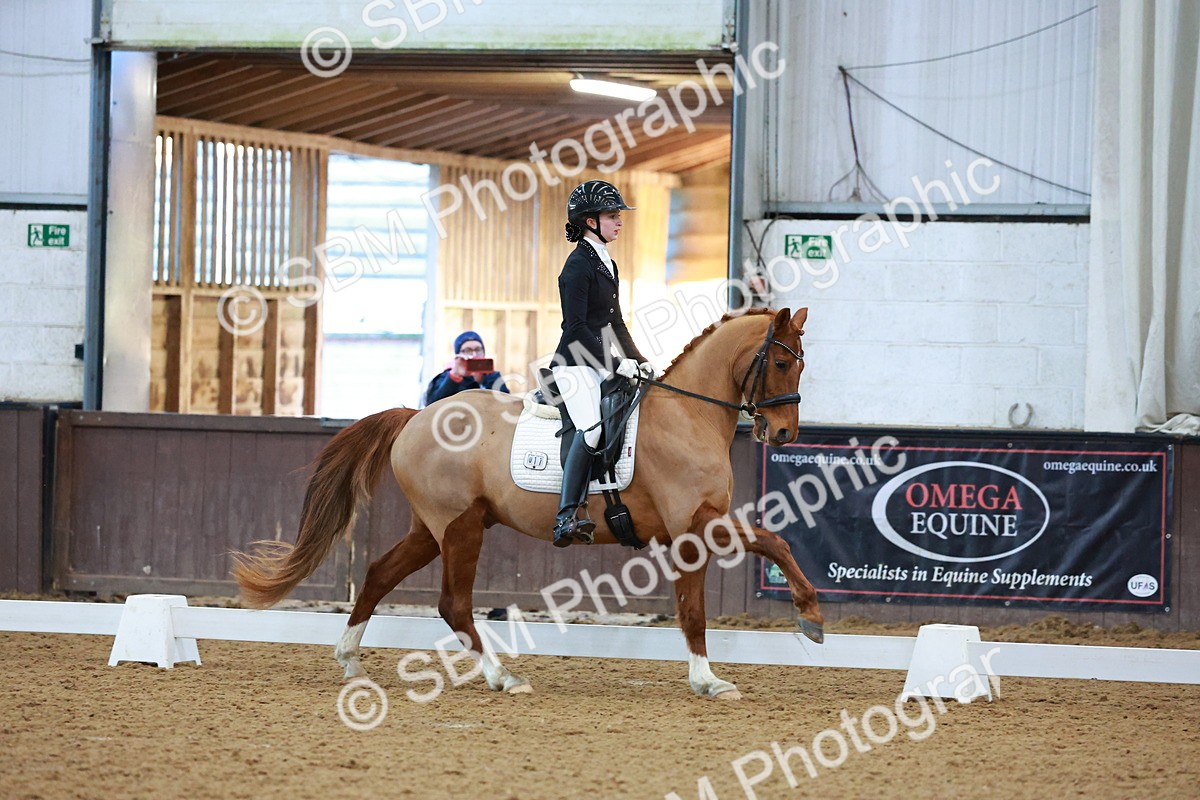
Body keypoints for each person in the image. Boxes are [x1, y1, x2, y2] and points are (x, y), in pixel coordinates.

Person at [549, 179, 654, 548]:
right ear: (591, 221)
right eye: (613, 216)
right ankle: (565, 517)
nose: (619, 222)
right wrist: (613, 362)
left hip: (601, 360)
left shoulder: (608, 262)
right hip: (574, 362)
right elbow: (575, 328)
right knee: (592, 428)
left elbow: (616, 322)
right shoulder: (577, 266)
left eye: (618, 216)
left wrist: (638, 360)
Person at [424, 331, 509, 405]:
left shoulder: (493, 376)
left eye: (478, 349)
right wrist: (454, 377)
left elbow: (506, 403)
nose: (474, 355)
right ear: (458, 355)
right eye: (468, 350)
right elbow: (432, 404)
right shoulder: (446, 377)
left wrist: (482, 381)